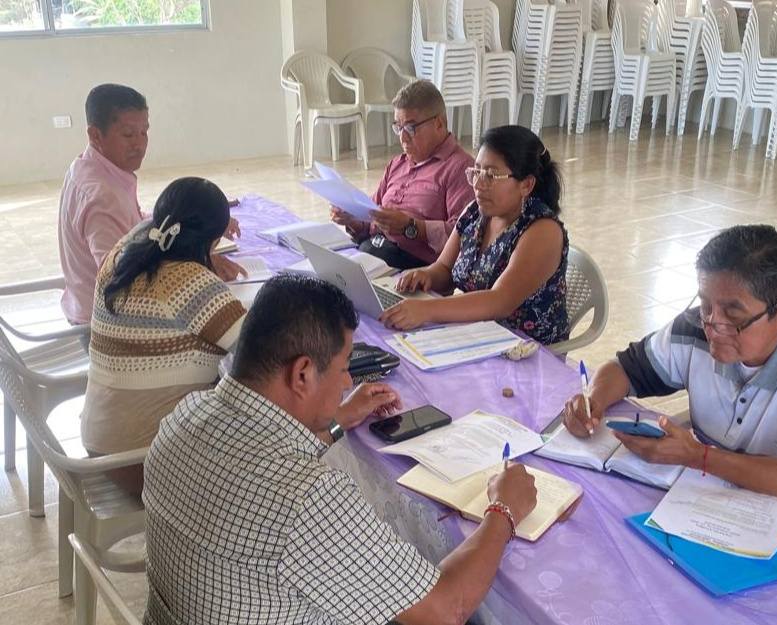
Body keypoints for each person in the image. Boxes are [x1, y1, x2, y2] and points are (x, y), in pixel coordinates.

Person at [142, 274, 538, 625]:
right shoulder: (307, 497)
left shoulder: (184, 416)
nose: (348, 382)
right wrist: (503, 510)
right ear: (302, 374)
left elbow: (260, 456)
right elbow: (447, 610)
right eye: (344, 366)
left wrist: (336, 421)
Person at [564, 225, 777, 508]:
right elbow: (625, 368)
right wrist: (593, 402)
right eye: (706, 304)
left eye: (734, 313)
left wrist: (701, 457)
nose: (712, 325)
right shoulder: (696, 326)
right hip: (704, 500)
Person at [82, 177, 249, 494]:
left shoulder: (123, 253)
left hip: (99, 442)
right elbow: (262, 352)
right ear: (213, 241)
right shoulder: (190, 282)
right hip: (145, 462)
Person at [58, 83, 241, 325]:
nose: (139, 144)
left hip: (93, 305)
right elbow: (118, 278)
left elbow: (133, 225)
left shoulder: (89, 167)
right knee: (226, 317)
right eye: (128, 135)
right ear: (95, 135)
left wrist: (201, 219)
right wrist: (198, 263)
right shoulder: (102, 197)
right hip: (106, 323)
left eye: (144, 132)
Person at [380, 125, 569, 346]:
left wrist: (427, 310)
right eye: (476, 172)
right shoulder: (476, 212)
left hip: (525, 349)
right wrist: (426, 276)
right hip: (477, 334)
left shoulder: (542, 230)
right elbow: (444, 268)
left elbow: (500, 302)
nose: (478, 184)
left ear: (526, 184)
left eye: (491, 175)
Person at [330, 79, 475, 270]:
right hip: (372, 253)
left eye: (410, 128)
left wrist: (411, 227)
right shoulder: (397, 164)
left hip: (412, 267)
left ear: (439, 124)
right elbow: (371, 218)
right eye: (398, 127)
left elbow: (465, 237)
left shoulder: (460, 168)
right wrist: (352, 219)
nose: (402, 138)